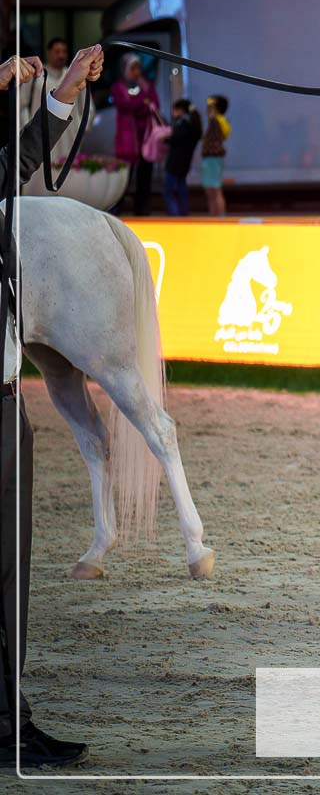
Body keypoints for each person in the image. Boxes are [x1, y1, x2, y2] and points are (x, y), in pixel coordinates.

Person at [3, 46, 103, 770]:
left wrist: (63, 94)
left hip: (6, 401)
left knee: (10, 574)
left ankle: (10, 718)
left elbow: (16, 163)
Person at [109, 53, 160, 216]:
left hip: (145, 139)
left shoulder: (147, 86)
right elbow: (126, 105)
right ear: (125, 69)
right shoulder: (118, 88)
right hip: (127, 140)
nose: (136, 72)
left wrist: (139, 103)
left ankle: (142, 210)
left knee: (145, 176)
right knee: (124, 177)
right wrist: (142, 102)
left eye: (138, 68)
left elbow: (154, 104)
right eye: (132, 68)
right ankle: (118, 208)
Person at [162, 98, 203, 216]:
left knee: (168, 191)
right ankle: (184, 215)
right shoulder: (193, 123)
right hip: (185, 163)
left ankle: (175, 215)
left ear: (180, 110)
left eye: (174, 110)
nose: (173, 113)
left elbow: (175, 139)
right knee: (181, 188)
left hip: (175, 162)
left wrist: (165, 139)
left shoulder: (182, 124)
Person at [201, 94, 231, 217]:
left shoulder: (216, 121)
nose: (207, 109)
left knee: (214, 188)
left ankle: (218, 216)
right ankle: (216, 216)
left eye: (210, 107)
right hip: (214, 158)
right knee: (213, 188)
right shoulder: (222, 121)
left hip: (212, 158)